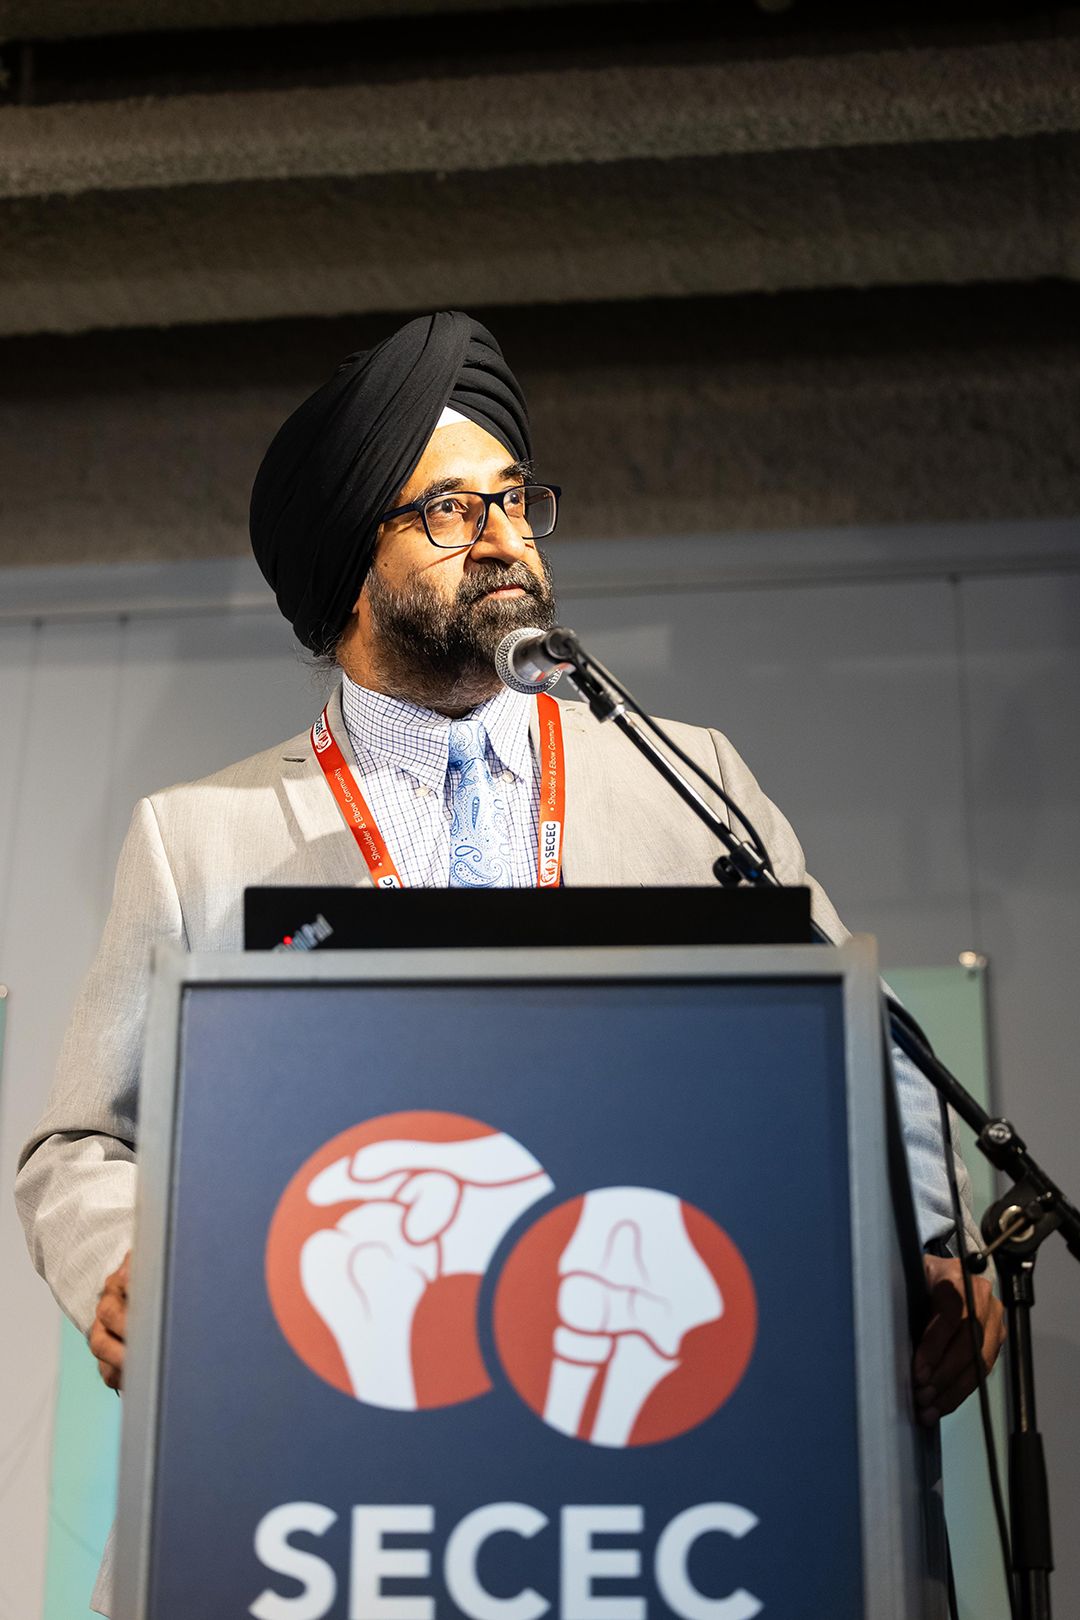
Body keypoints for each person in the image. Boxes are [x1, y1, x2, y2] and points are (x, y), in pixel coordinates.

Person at [16, 309, 1004, 1611]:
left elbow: (862, 1042)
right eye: (447, 509)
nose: (502, 536)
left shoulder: (687, 780)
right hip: (335, 1456)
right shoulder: (200, 838)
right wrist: (121, 1269)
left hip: (655, 1452)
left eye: (515, 498)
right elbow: (81, 1144)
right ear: (351, 563)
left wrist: (935, 1245)